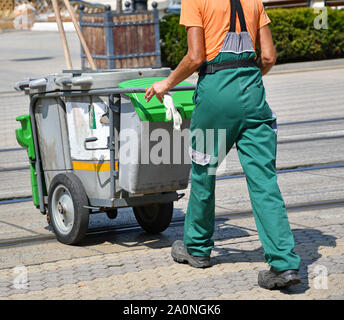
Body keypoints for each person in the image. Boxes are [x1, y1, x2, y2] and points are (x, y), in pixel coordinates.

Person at [144, 0, 301, 290]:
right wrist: (246, 79)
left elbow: (195, 57)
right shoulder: (254, 1)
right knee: (264, 181)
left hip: (215, 96)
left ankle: (198, 249)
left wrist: (167, 83)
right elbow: (267, 56)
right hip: (253, 96)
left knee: (204, 173)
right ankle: (284, 264)